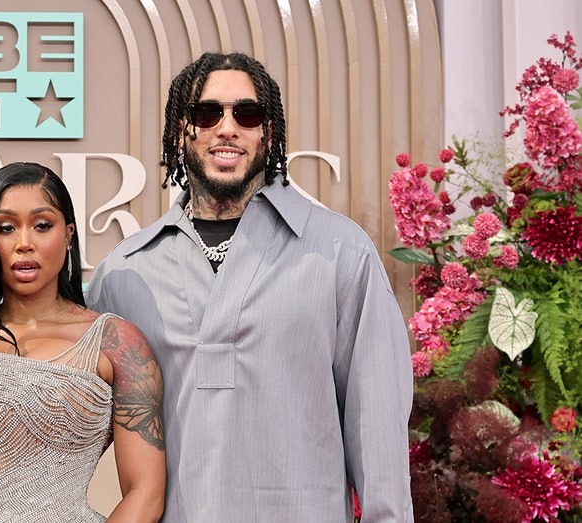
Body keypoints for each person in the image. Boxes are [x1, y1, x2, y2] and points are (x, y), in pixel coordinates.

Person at [85, 52, 413, 521]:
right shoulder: (124, 272)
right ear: (180, 131)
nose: (227, 128)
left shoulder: (340, 252)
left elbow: (378, 426)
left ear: (269, 132)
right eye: (207, 113)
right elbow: (67, 434)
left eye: (247, 113)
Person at [0, 162, 165, 522]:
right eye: (6, 228)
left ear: (68, 234)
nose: (24, 243)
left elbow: (145, 492)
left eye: (42, 225)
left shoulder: (116, 344)